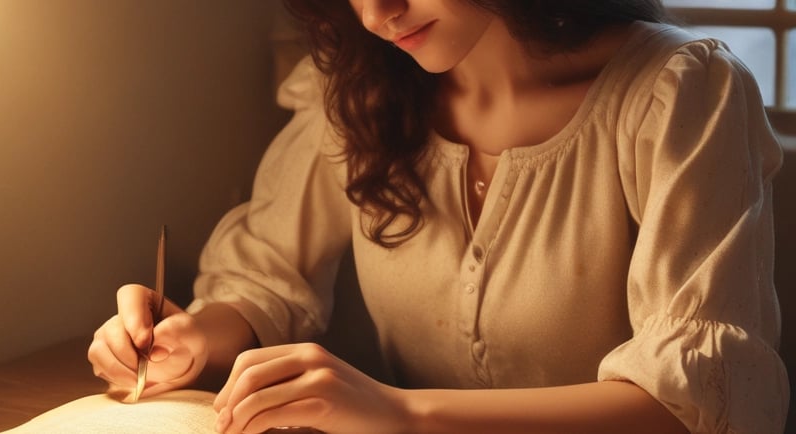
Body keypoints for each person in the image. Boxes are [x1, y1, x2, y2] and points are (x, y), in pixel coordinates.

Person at [89, 0, 789, 432]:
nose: (376, 12)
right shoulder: (360, 87)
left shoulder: (681, 93)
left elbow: (696, 408)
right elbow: (266, 274)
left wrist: (401, 415)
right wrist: (190, 337)